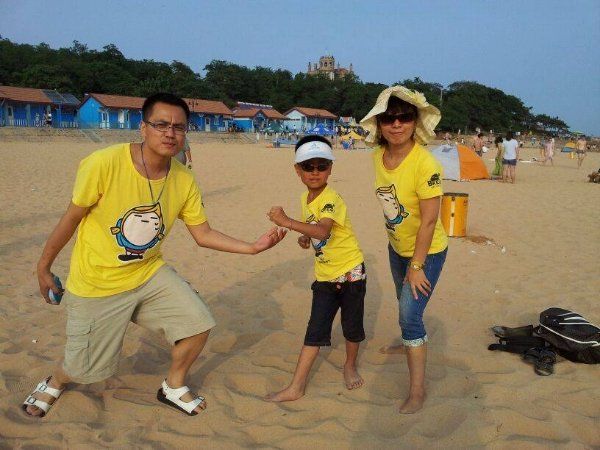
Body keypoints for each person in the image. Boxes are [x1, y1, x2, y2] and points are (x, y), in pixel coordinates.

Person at [22, 93, 286, 419]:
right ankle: (56, 379)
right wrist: (43, 266)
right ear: (143, 127)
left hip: (148, 273)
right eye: (160, 124)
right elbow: (71, 219)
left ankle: (173, 386)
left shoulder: (184, 179)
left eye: (178, 127)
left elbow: (202, 234)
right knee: (83, 368)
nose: (169, 133)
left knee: (198, 323)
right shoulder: (103, 163)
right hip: (97, 282)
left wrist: (252, 247)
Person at [360, 86, 448, 414]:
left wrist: (417, 264)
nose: (396, 125)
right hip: (396, 247)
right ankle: (407, 341)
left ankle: (417, 391)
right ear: (380, 124)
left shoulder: (425, 165)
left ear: (414, 122)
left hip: (427, 252)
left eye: (404, 118)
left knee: (410, 316)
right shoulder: (376, 157)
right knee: (403, 304)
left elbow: (429, 221)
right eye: (389, 118)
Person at [264, 135, 366, 402]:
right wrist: (305, 238)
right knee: (315, 329)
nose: (315, 172)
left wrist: (288, 221)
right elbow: (315, 229)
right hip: (324, 276)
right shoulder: (305, 198)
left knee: (351, 327)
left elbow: (323, 228)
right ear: (297, 170)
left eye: (321, 166)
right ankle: (296, 386)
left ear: (330, 168)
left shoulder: (332, 198)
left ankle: (349, 364)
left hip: (351, 273)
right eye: (308, 166)